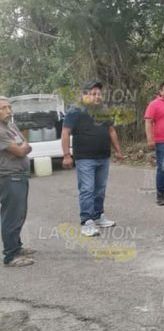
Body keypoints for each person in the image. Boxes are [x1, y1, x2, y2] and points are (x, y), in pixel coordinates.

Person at [61, 81, 124, 237]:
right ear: (84, 95)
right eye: (93, 94)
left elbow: (111, 131)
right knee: (87, 189)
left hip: (103, 156)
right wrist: (67, 155)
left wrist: (118, 151)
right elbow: (65, 132)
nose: (97, 97)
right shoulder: (75, 110)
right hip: (85, 158)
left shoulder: (103, 110)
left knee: (100, 189)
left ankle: (98, 216)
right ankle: (87, 221)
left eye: (99, 94)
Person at [0, 96, 34, 267]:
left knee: (19, 214)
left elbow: (26, 144)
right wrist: (23, 148)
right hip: (9, 176)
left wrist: (23, 147)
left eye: (9, 107)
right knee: (11, 216)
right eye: (3, 108)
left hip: (19, 174)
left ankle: (17, 247)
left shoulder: (10, 126)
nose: (8, 111)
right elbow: (21, 151)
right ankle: (11, 255)